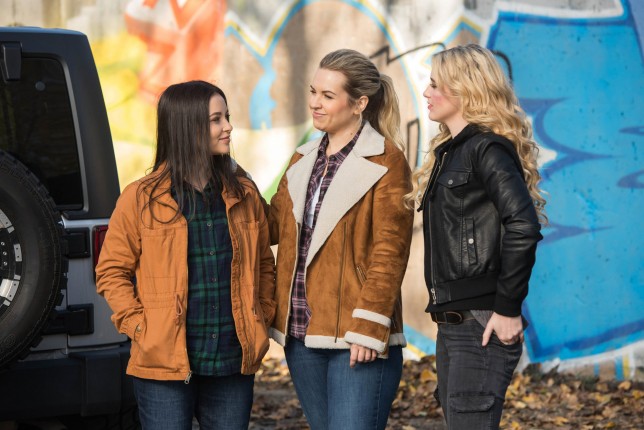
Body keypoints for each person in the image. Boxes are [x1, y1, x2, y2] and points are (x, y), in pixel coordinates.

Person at [95, 80, 276, 430]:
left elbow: (264, 264)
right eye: (216, 119)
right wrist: (139, 327)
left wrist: (262, 314)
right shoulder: (139, 198)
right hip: (163, 365)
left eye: (227, 117)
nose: (228, 127)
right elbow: (111, 271)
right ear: (186, 127)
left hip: (232, 361)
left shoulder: (244, 194)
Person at [267, 49, 414, 430]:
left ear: (359, 104)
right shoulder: (302, 159)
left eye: (328, 96)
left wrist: (369, 326)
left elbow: (390, 251)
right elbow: (271, 227)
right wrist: (226, 176)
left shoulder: (386, 161)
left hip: (356, 337)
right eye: (313, 92)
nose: (315, 103)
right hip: (301, 334)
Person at [405, 44, 546, 429]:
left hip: (479, 321)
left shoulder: (486, 149)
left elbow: (523, 225)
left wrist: (507, 308)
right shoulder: (451, 152)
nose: (426, 92)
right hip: (453, 323)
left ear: (465, 88)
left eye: (436, 85)